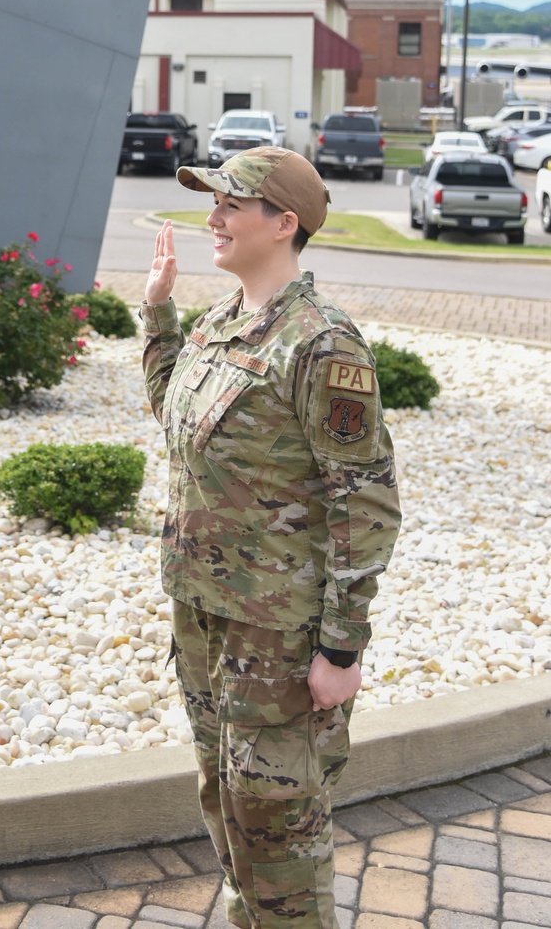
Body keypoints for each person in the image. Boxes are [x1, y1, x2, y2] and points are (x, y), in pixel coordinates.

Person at [141, 148, 401, 929]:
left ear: (284, 223)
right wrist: (158, 315)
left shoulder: (323, 345)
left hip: (276, 632)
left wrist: (342, 648)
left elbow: (367, 502)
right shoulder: (223, 323)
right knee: (226, 806)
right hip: (205, 613)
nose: (213, 217)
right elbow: (178, 421)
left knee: (280, 834)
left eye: (231, 204)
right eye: (212, 202)